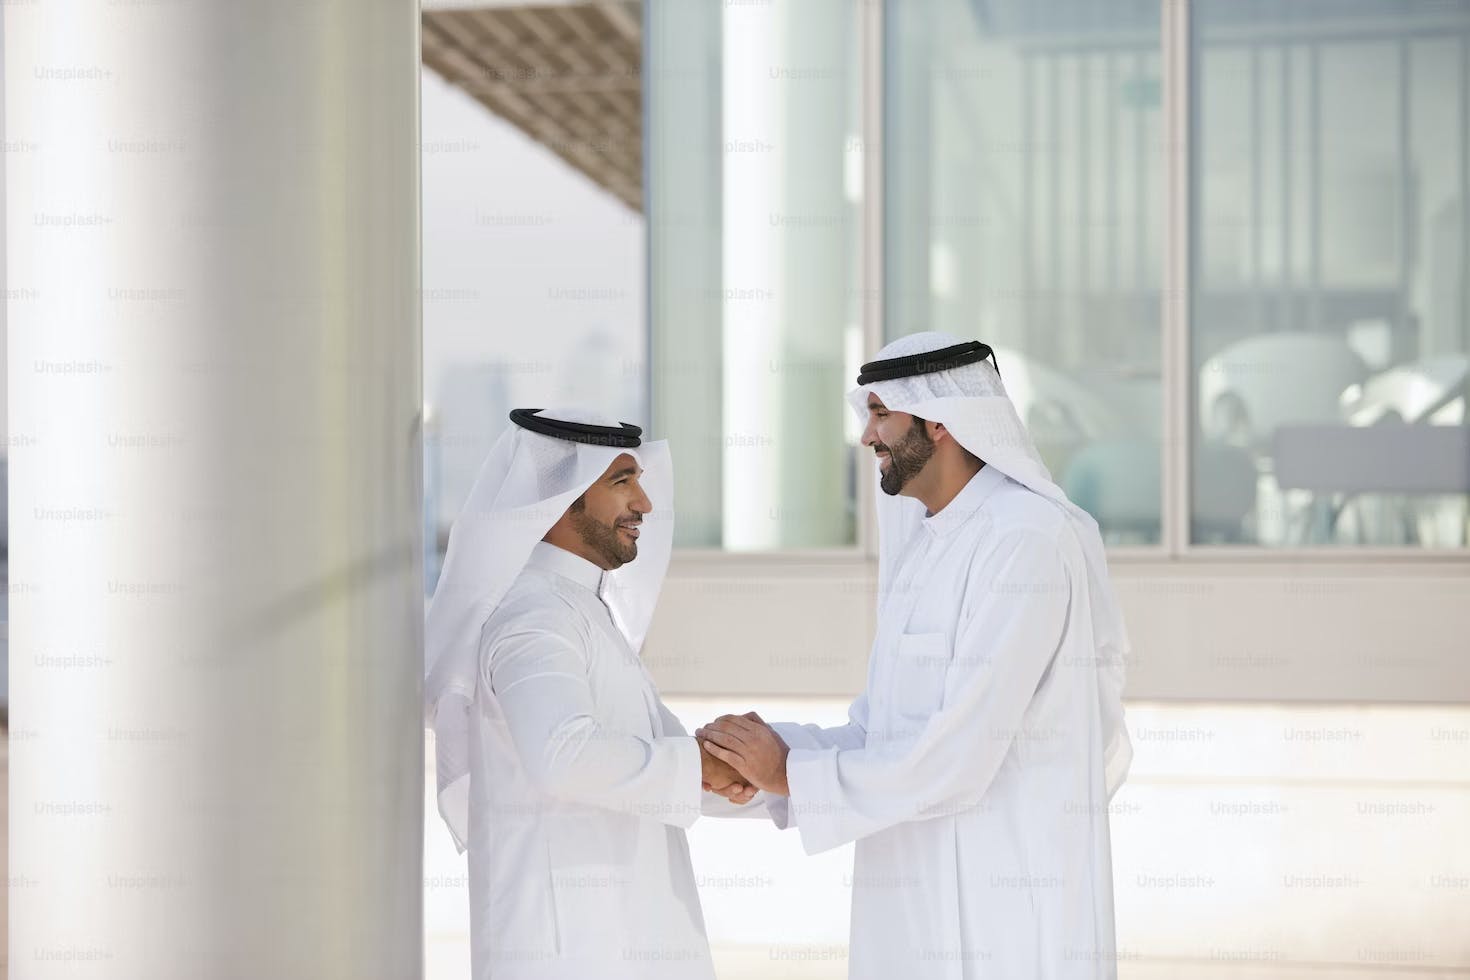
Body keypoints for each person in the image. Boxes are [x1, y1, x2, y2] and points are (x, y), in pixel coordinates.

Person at [698, 332, 1133, 979]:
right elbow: (879, 735)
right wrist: (752, 764)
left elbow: (960, 755)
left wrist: (790, 774)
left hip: (1006, 907)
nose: (867, 436)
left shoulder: (1026, 543)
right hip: (915, 897)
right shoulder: (926, 549)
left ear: (940, 424)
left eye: (880, 414)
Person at [425, 407, 756, 980]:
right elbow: (563, 756)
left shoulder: (578, 607)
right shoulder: (534, 616)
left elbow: (668, 761)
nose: (644, 504)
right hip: (570, 950)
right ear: (560, 495)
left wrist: (760, 771)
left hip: (616, 935)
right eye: (621, 481)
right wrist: (696, 765)